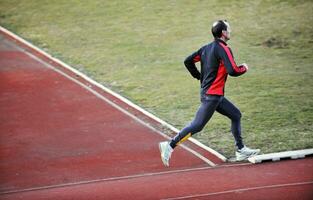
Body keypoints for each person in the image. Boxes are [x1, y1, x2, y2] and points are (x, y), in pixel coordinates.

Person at [159, 20, 260, 167]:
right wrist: (244, 67)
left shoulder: (206, 49)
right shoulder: (224, 48)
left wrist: (198, 76)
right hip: (212, 96)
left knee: (236, 115)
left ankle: (240, 150)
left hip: (214, 95)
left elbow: (188, 61)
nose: (230, 31)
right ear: (223, 33)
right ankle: (169, 145)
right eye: (228, 29)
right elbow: (233, 71)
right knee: (197, 125)